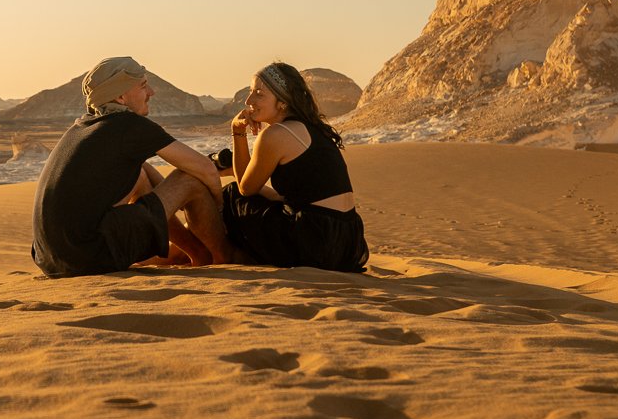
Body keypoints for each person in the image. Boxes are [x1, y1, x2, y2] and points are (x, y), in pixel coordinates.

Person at [31, 55, 237, 277]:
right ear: (120, 96)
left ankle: (196, 253)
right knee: (189, 181)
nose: (151, 93)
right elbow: (204, 168)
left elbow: (150, 179)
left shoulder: (81, 127)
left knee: (139, 173)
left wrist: (177, 200)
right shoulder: (129, 125)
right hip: (89, 255)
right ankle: (224, 255)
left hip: (52, 259)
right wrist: (218, 207)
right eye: (143, 86)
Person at [222, 61, 368, 273]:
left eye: (259, 94)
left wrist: (237, 131)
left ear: (282, 102)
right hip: (346, 240)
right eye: (250, 92)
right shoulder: (313, 129)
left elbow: (246, 188)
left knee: (232, 194)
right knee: (259, 199)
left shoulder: (275, 134)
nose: (248, 100)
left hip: (315, 240)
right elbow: (293, 197)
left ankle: (220, 256)